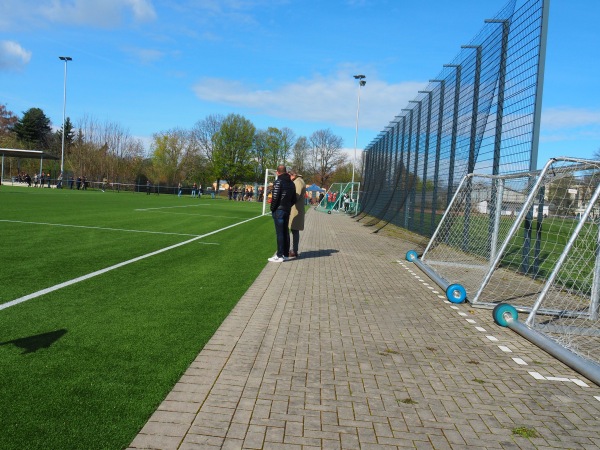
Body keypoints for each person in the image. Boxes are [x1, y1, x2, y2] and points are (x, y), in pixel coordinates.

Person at [268, 165, 296, 263]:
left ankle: (279, 255)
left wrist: (273, 208)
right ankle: (285, 254)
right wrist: (287, 206)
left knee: (280, 233)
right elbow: (294, 199)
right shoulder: (292, 183)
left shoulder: (278, 182)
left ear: (277, 172)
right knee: (285, 232)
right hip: (286, 210)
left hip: (279, 210)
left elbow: (275, 198)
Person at [288, 169, 306, 258]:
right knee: (294, 230)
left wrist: (288, 203)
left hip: (296, 209)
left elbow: (296, 196)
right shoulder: (299, 181)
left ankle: (294, 251)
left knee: (295, 230)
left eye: (289, 176)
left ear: (293, 175)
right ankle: (294, 250)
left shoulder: (298, 182)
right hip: (296, 208)